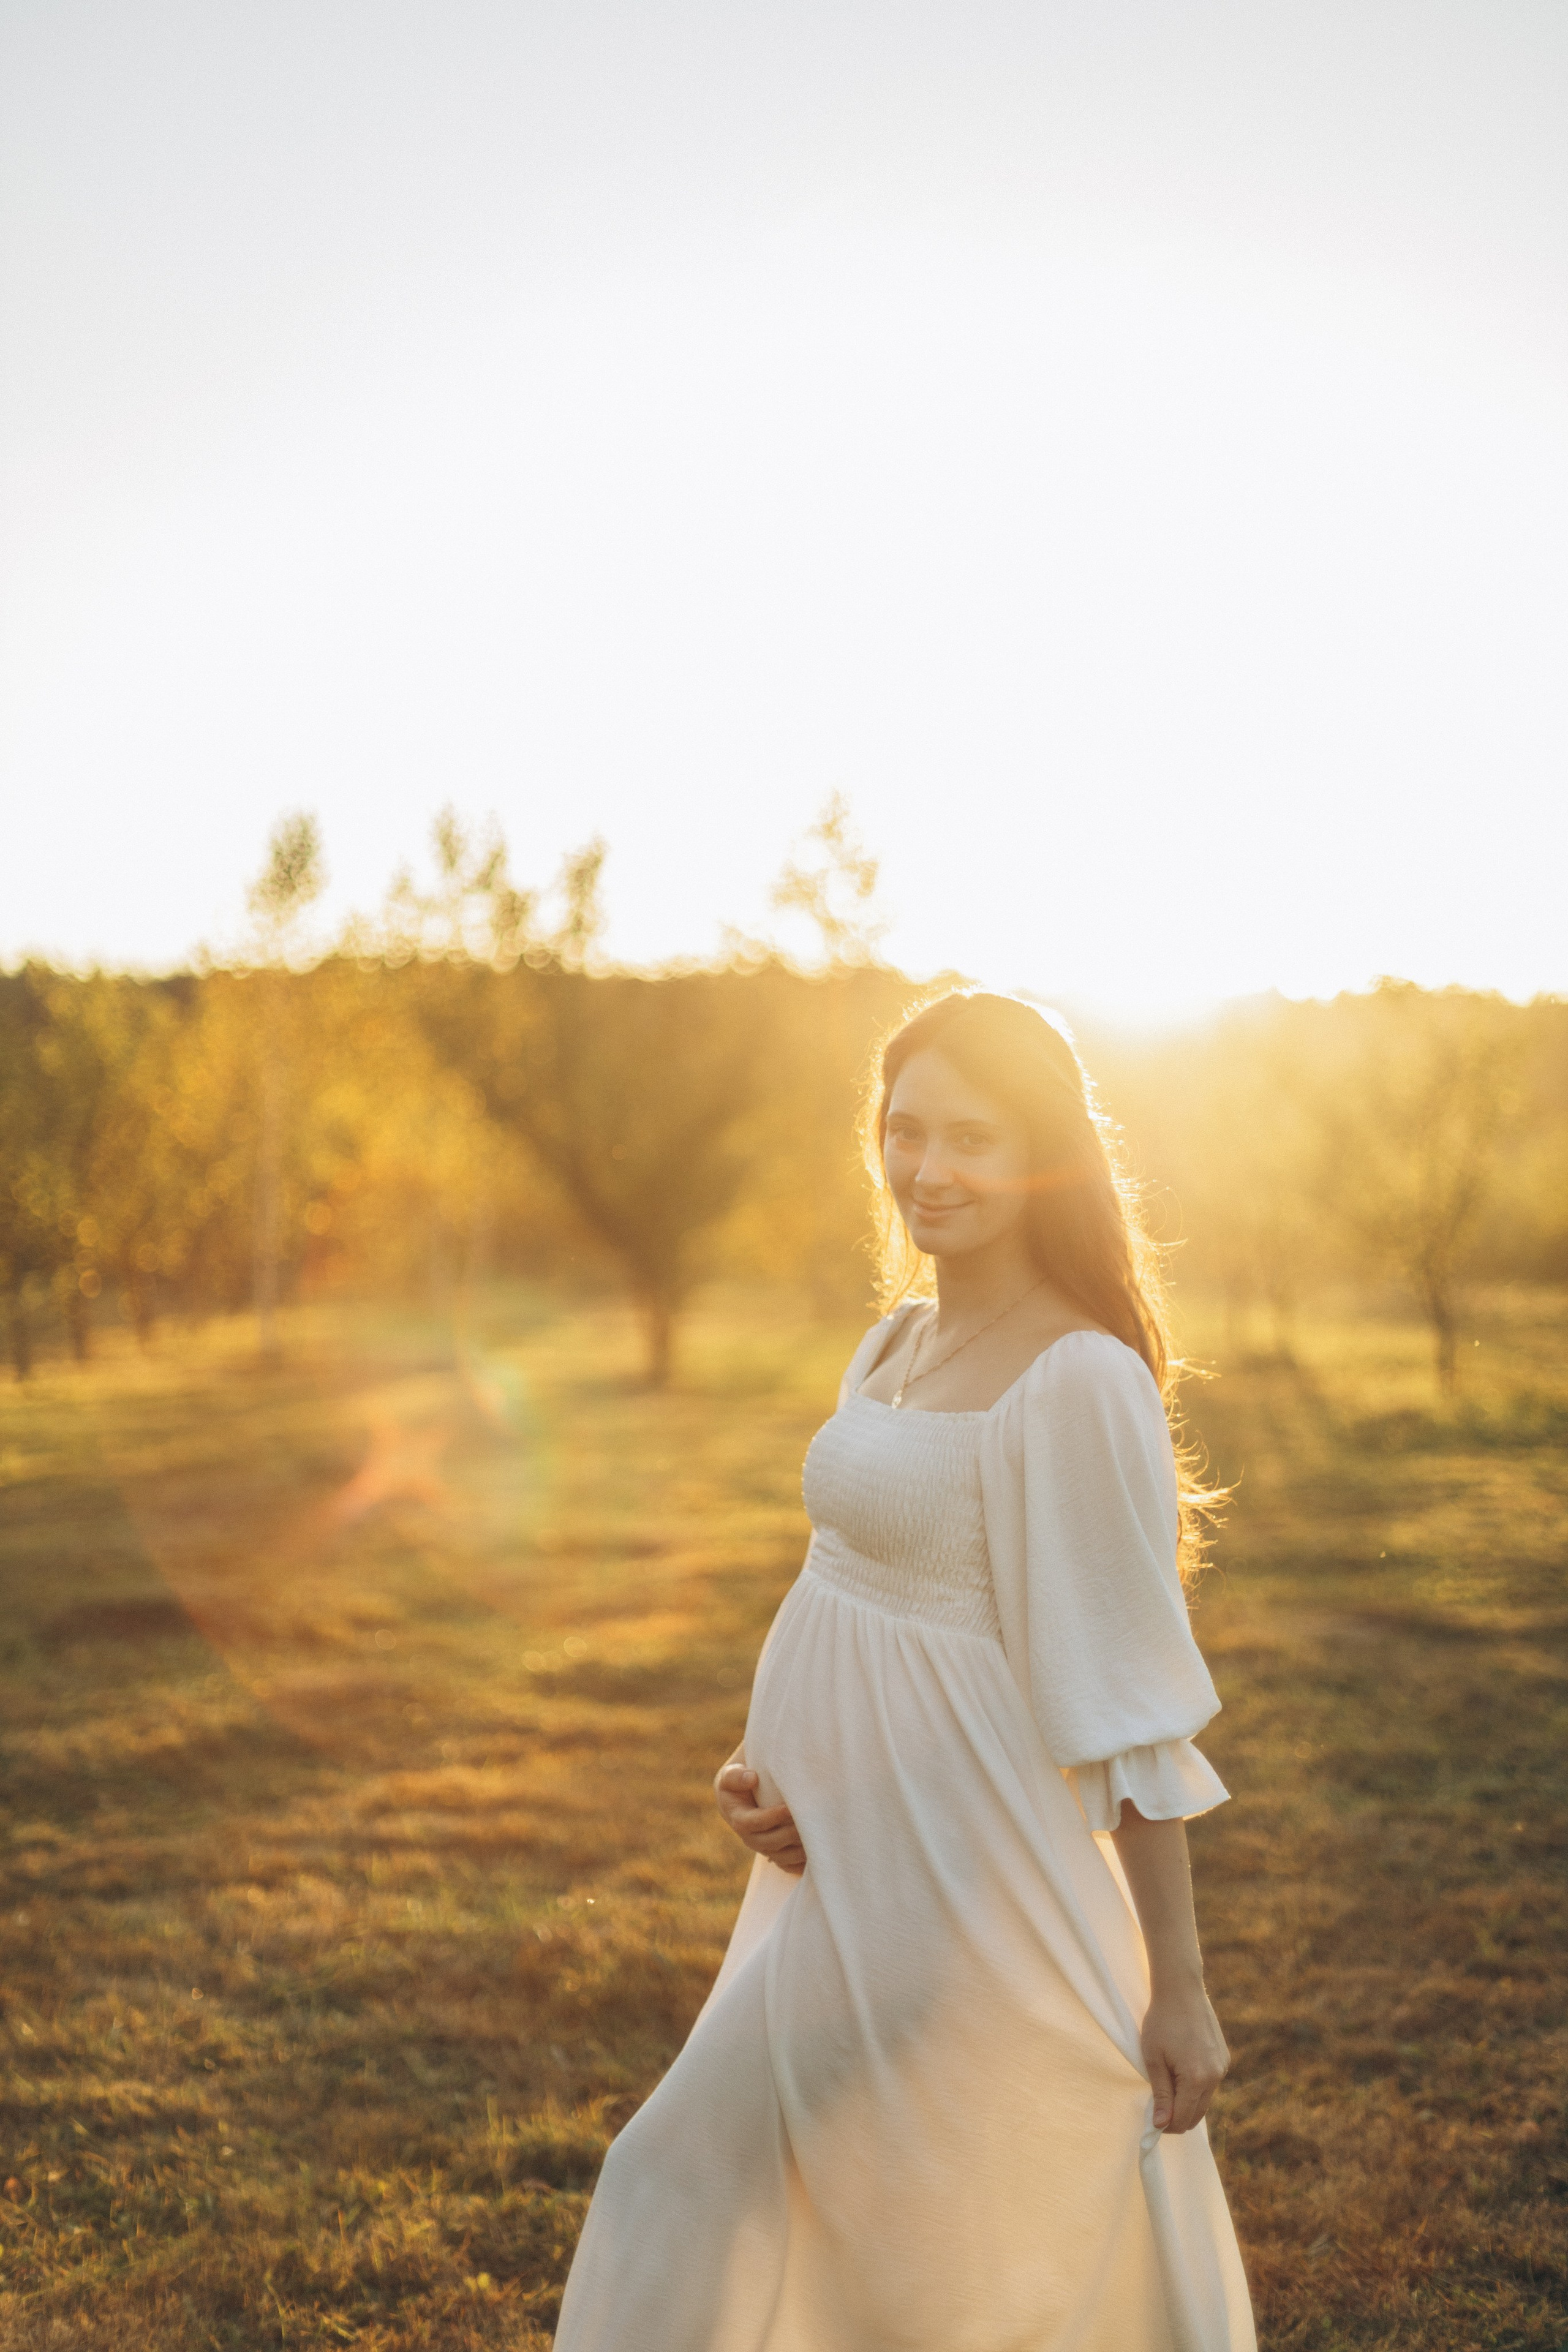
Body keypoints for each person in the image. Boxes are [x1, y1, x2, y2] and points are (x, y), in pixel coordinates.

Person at [554, 990, 1256, 2351]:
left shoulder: (1077, 1377)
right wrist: (758, 1771)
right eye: (905, 1128)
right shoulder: (891, 1346)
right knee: (705, 2176)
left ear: (1045, 1158)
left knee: (947, 2254)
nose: (927, 1170)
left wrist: (1177, 1985)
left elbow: (1126, 1705)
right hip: (831, 1868)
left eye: (972, 1139)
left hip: (969, 1879)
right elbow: (846, 1594)